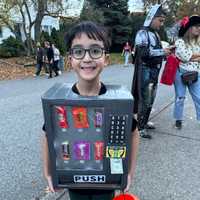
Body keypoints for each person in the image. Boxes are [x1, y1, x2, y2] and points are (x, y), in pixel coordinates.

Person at [42, 21, 139, 200]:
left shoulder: (117, 102)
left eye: (95, 51)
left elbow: (133, 132)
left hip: (107, 182)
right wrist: (48, 172)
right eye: (79, 51)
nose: (87, 58)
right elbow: (48, 133)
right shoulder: (60, 102)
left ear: (106, 59)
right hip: (74, 182)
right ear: (70, 60)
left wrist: (128, 172)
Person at [131, 4, 172, 139]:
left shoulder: (154, 34)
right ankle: (140, 127)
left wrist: (167, 52)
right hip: (145, 71)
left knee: (151, 98)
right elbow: (143, 53)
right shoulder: (142, 34)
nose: (161, 24)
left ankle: (144, 122)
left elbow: (155, 53)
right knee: (145, 99)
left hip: (154, 71)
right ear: (152, 18)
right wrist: (162, 51)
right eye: (160, 20)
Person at [173, 15, 200, 129]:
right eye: (196, 26)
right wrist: (193, 57)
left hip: (195, 72)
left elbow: (188, 57)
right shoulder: (180, 41)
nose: (199, 29)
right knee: (180, 97)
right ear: (189, 28)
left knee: (199, 98)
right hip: (180, 72)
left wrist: (191, 57)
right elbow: (184, 57)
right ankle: (178, 119)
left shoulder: (198, 42)